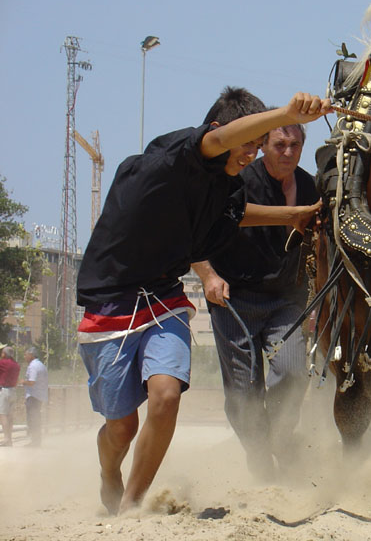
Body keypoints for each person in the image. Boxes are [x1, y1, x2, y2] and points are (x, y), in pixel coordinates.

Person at [75, 87, 331, 515]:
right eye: (248, 144)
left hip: (164, 299)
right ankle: (109, 474)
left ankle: (131, 508)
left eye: (255, 147)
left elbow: (235, 215)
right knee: (121, 428)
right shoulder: (176, 158)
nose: (250, 155)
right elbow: (216, 143)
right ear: (220, 133)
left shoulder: (226, 187)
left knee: (166, 396)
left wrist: (293, 215)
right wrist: (285, 113)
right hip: (111, 303)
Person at [192, 118, 316, 477]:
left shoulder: (310, 186)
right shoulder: (238, 182)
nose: (287, 153)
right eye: (280, 145)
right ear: (262, 146)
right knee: (244, 393)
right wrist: (208, 275)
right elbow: (193, 231)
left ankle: (278, 438)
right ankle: (259, 456)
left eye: (295, 146)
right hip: (234, 299)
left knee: (294, 376)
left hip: (287, 301)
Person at [19, 346, 47, 447]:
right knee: (36, 418)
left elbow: (31, 382)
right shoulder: (41, 365)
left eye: (26, 354)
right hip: (39, 396)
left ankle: (35, 442)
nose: (25, 356)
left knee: (33, 419)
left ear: (31, 355)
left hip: (33, 396)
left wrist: (23, 382)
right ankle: (36, 441)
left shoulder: (33, 366)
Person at [0, 344, 21, 446]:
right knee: (10, 416)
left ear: (4, 354)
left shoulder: (3, 363)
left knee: (3, 415)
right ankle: (10, 439)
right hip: (13, 391)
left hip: (4, 391)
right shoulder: (16, 365)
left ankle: (6, 439)